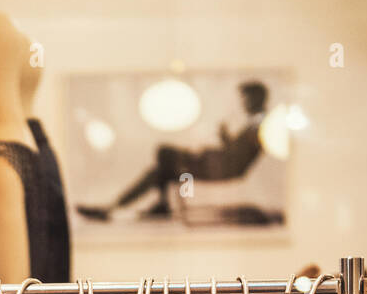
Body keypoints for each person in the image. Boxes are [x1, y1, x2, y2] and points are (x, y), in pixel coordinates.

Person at [79, 81, 268, 221]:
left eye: (245, 97)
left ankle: (126, 207)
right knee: (159, 171)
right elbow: (235, 152)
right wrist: (222, 139)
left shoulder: (262, 125)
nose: (243, 102)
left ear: (255, 98)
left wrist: (220, 141)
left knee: (164, 154)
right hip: (214, 163)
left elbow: (237, 158)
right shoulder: (255, 124)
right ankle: (118, 207)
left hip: (220, 168)